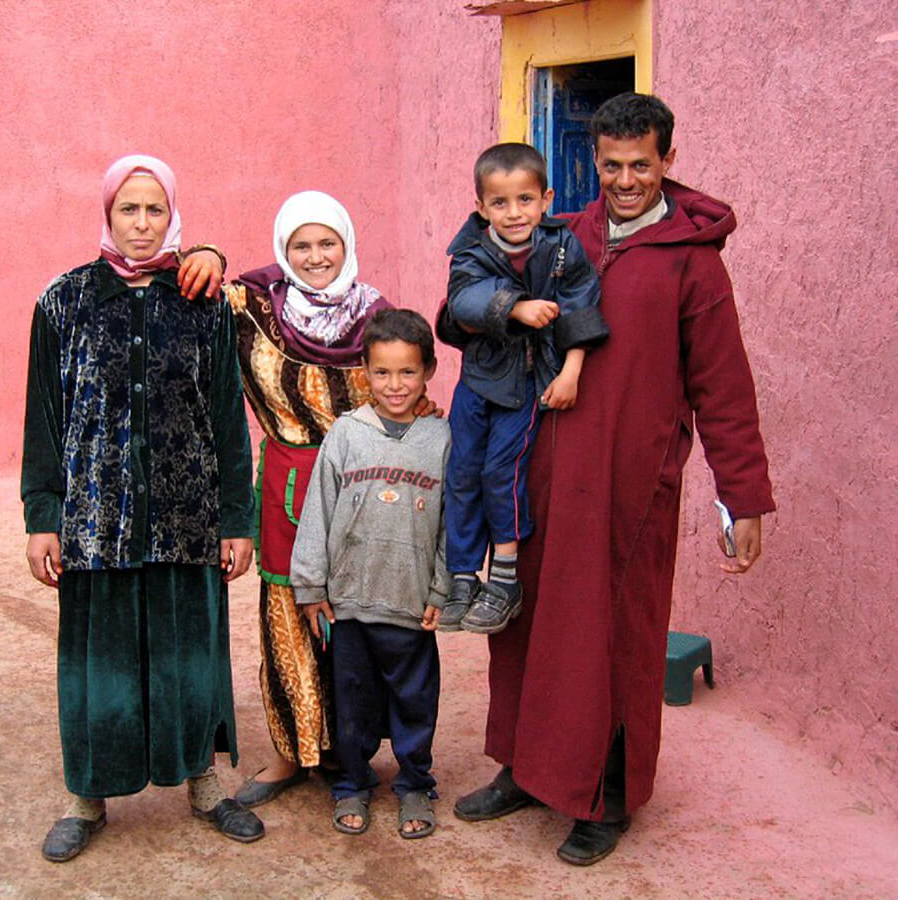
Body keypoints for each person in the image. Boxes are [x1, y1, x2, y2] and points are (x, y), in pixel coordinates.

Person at [452, 93, 776, 865]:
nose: (626, 179)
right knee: (528, 625)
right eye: (611, 166)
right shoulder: (566, 238)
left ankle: (608, 794)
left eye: (641, 164)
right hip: (536, 464)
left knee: (613, 636)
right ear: (592, 165)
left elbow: (723, 386)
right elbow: (480, 295)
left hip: (631, 483)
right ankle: (525, 769)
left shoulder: (693, 263)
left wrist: (744, 494)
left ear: (667, 160)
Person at [21, 154, 264, 862]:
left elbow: (227, 415)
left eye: (154, 209)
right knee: (98, 666)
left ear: (173, 216)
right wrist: (44, 515)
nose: (140, 222)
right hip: (94, 524)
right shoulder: (63, 302)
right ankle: (86, 798)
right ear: (106, 214)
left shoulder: (202, 302)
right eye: (128, 209)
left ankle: (205, 784)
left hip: (186, 522)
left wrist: (235, 519)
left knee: (191, 658)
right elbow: (44, 417)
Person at [224, 191, 391, 808]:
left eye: (328, 243)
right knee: (287, 616)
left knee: (360, 619)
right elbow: (193, 275)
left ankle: (354, 751)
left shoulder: (377, 317)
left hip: (361, 487)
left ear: (347, 246)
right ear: (282, 251)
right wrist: (210, 252)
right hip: (288, 487)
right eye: (301, 245)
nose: (316, 256)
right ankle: (290, 753)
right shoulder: (254, 312)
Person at [289, 308, 450, 838]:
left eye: (408, 372)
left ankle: (414, 785)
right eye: (382, 372)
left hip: (409, 601)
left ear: (428, 370)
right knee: (353, 699)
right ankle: (352, 783)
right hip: (350, 601)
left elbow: (454, 520)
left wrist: (442, 587)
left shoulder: (441, 439)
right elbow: (318, 511)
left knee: (414, 699)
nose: (395, 384)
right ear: (364, 371)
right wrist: (311, 585)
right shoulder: (345, 435)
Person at [436, 143, 606, 635]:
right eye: (501, 203)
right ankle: (463, 575)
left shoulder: (562, 246)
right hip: (477, 382)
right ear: (481, 207)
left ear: (546, 197)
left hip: (528, 383)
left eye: (526, 200)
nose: (515, 213)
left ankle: (505, 577)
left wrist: (570, 371)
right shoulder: (470, 249)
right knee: (462, 472)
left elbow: (581, 307)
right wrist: (514, 307)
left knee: (501, 473)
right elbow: (464, 300)